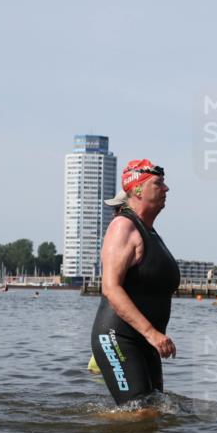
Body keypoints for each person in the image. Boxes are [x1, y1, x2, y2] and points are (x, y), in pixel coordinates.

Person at [90, 159, 180, 406]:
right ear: (137, 189)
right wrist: (152, 333)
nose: (166, 189)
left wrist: (152, 336)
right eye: (159, 183)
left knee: (154, 410)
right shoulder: (123, 227)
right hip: (118, 337)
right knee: (139, 413)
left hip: (146, 341)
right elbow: (110, 288)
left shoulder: (150, 232)